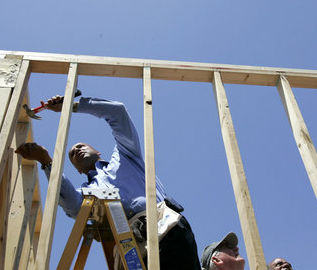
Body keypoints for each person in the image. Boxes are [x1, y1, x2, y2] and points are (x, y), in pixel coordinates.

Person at [16, 95, 201, 270]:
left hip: (167, 228)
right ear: (79, 171)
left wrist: (72, 106)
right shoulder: (89, 192)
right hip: (134, 249)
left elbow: (118, 112)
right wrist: (47, 162)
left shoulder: (125, 156)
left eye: (81, 145)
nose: (77, 150)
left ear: (98, 152)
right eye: (72, 154)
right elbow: (71, 204)